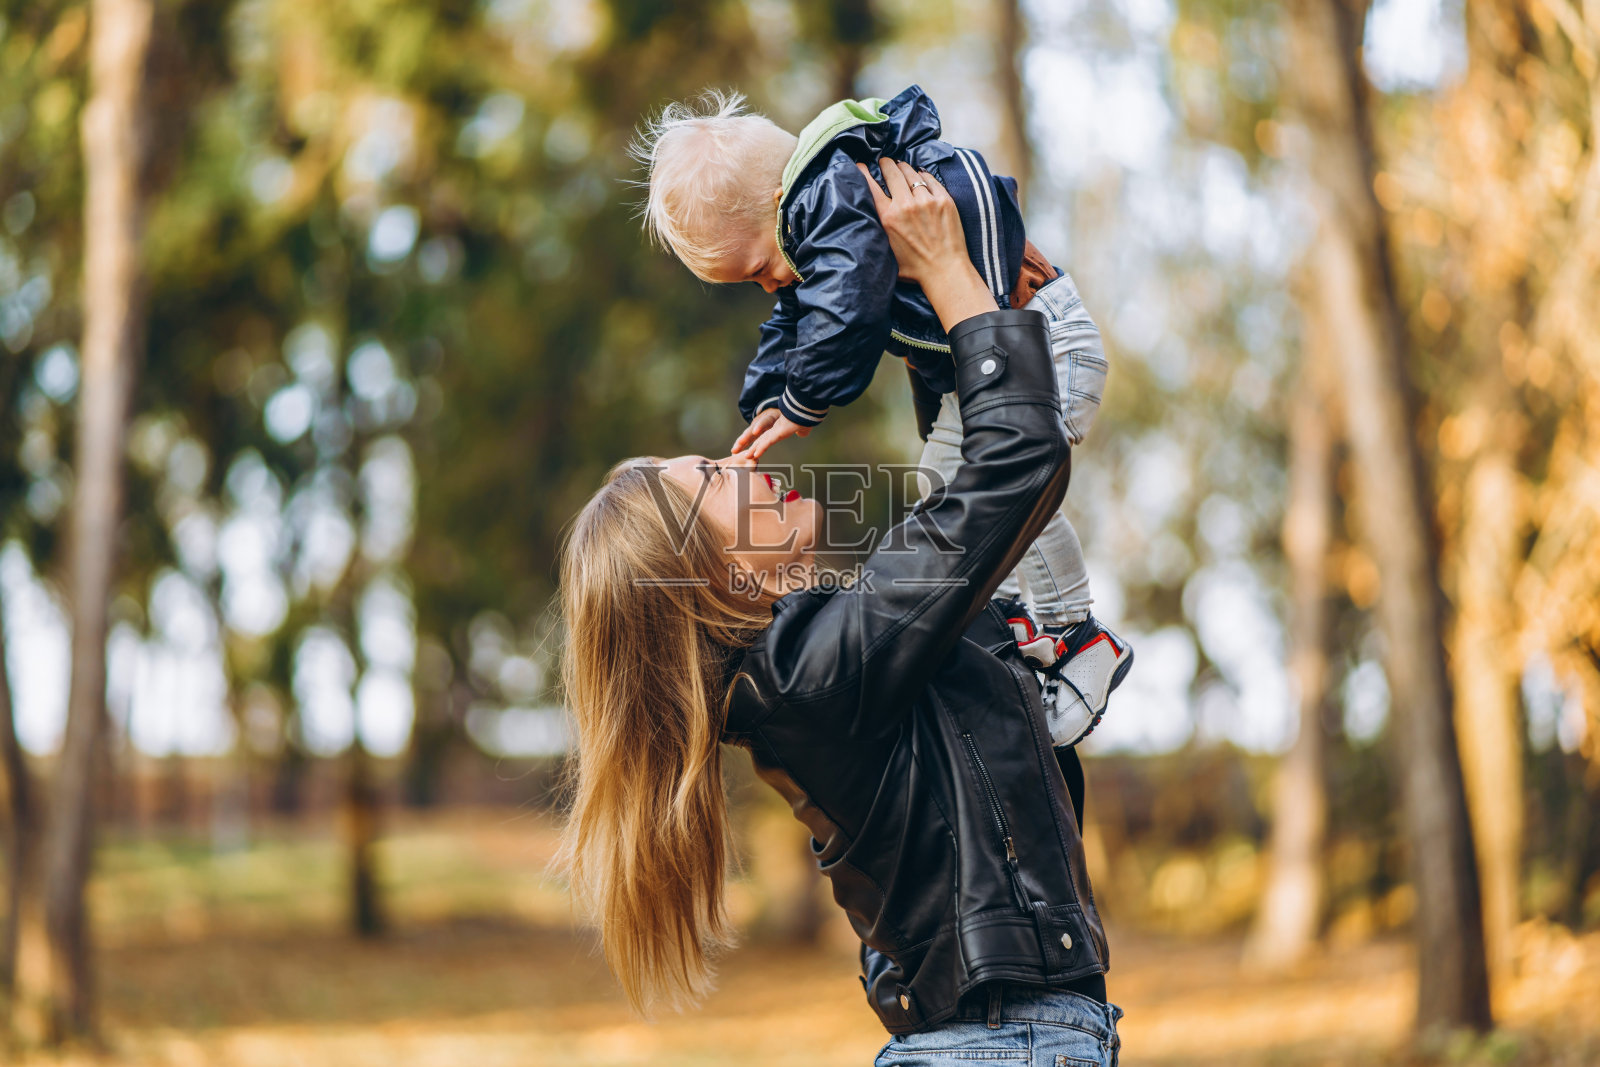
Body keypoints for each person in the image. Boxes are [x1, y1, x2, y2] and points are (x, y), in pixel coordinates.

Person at [559, 157, 1122, 1065]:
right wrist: (946, 272)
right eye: (712, 477)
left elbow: (964, 502)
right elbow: (1013, 463)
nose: (740, 464)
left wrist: (949, 305)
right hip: (999, 1044)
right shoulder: (817, 671)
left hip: (1001, 1041)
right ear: (706, 579)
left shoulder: (816, 665)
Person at [634, 84, 1131, 744]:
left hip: (1043, 338)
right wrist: (766, 402)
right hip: (1012, 348)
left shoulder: (828, 205)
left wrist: (807, 399)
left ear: (781, 207)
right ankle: (1017, 613)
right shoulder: (816, 220)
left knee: (1001, 492)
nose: (770, 286)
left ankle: (1074, 632)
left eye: (758, 267)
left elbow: (848, 315)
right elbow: (796, 319)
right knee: (953, 488)